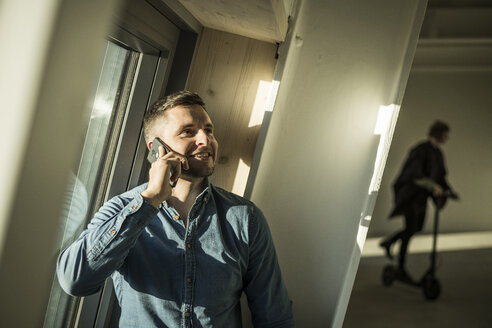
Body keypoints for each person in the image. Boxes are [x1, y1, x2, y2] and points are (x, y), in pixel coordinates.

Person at [57, 91, 294, 327]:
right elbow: (75, 281)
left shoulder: (245, 217)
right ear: (156, 148)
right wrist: (149, 201)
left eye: (208, 130)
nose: (205, 139)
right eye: (188, 132)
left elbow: (274, 316)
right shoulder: (121, 209)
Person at [379, 120, 458, 281]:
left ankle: (389, 242)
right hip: (412, 196)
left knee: (416, 228)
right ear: (438, 133)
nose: (446, 138)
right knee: (410, 229)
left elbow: (441, 177)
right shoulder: (420, 149)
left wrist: (450, 191)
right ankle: (400, 267)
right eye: (445, 135)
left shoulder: (438, 153)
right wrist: (432, 186)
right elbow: (414, 174)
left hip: (422, 198)